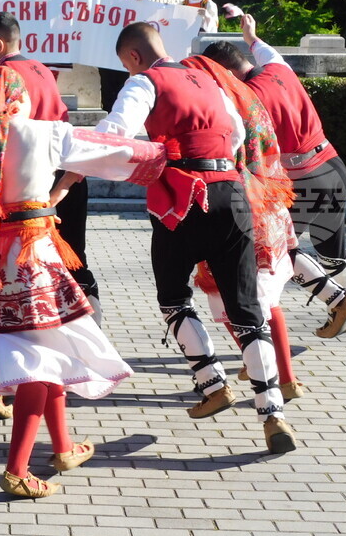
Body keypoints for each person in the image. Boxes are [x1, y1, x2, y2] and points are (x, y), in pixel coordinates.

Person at [0, 68, 166, 497]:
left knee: (51, 353)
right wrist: (159, 153)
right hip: (35, 256)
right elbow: (106, 149)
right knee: (39, 363)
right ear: (19, 99)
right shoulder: (45, 133)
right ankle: (16, 470)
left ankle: (64, 447)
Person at [96, 22, 296, 454]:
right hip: (233, 193)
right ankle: (273, 413)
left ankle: (211, 381)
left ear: (132, 57)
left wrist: (67, 156)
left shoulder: (144, 82)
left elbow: (117, 132)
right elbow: (238, 134)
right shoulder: (209, 80)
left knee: (173, 295)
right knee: (247, 310)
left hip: (182, 200)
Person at [202, 13, 346, 338]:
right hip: (332, 168)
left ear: (226, 73)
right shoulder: (279, 69)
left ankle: (338, 302)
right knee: (333, 251)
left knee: (281, 247)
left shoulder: (247, 99)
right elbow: (267, 52)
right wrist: (251, 37)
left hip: (301, 181)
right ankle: (342, 316)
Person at [183, 54, 304, 403]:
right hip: (268, 202)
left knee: (231, 300)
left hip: (233, 207)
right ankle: (286, 378)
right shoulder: (248, 96)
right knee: (267, 300)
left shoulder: (213, 101)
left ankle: (261, 368)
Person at [0, 12, 102, 320]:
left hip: (29, 183)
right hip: (66, 172)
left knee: (25, 263)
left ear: (0, 44)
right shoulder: (42, 69)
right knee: (74, 257)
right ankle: (92, 324)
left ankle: (27, 332)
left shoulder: (0, 78)